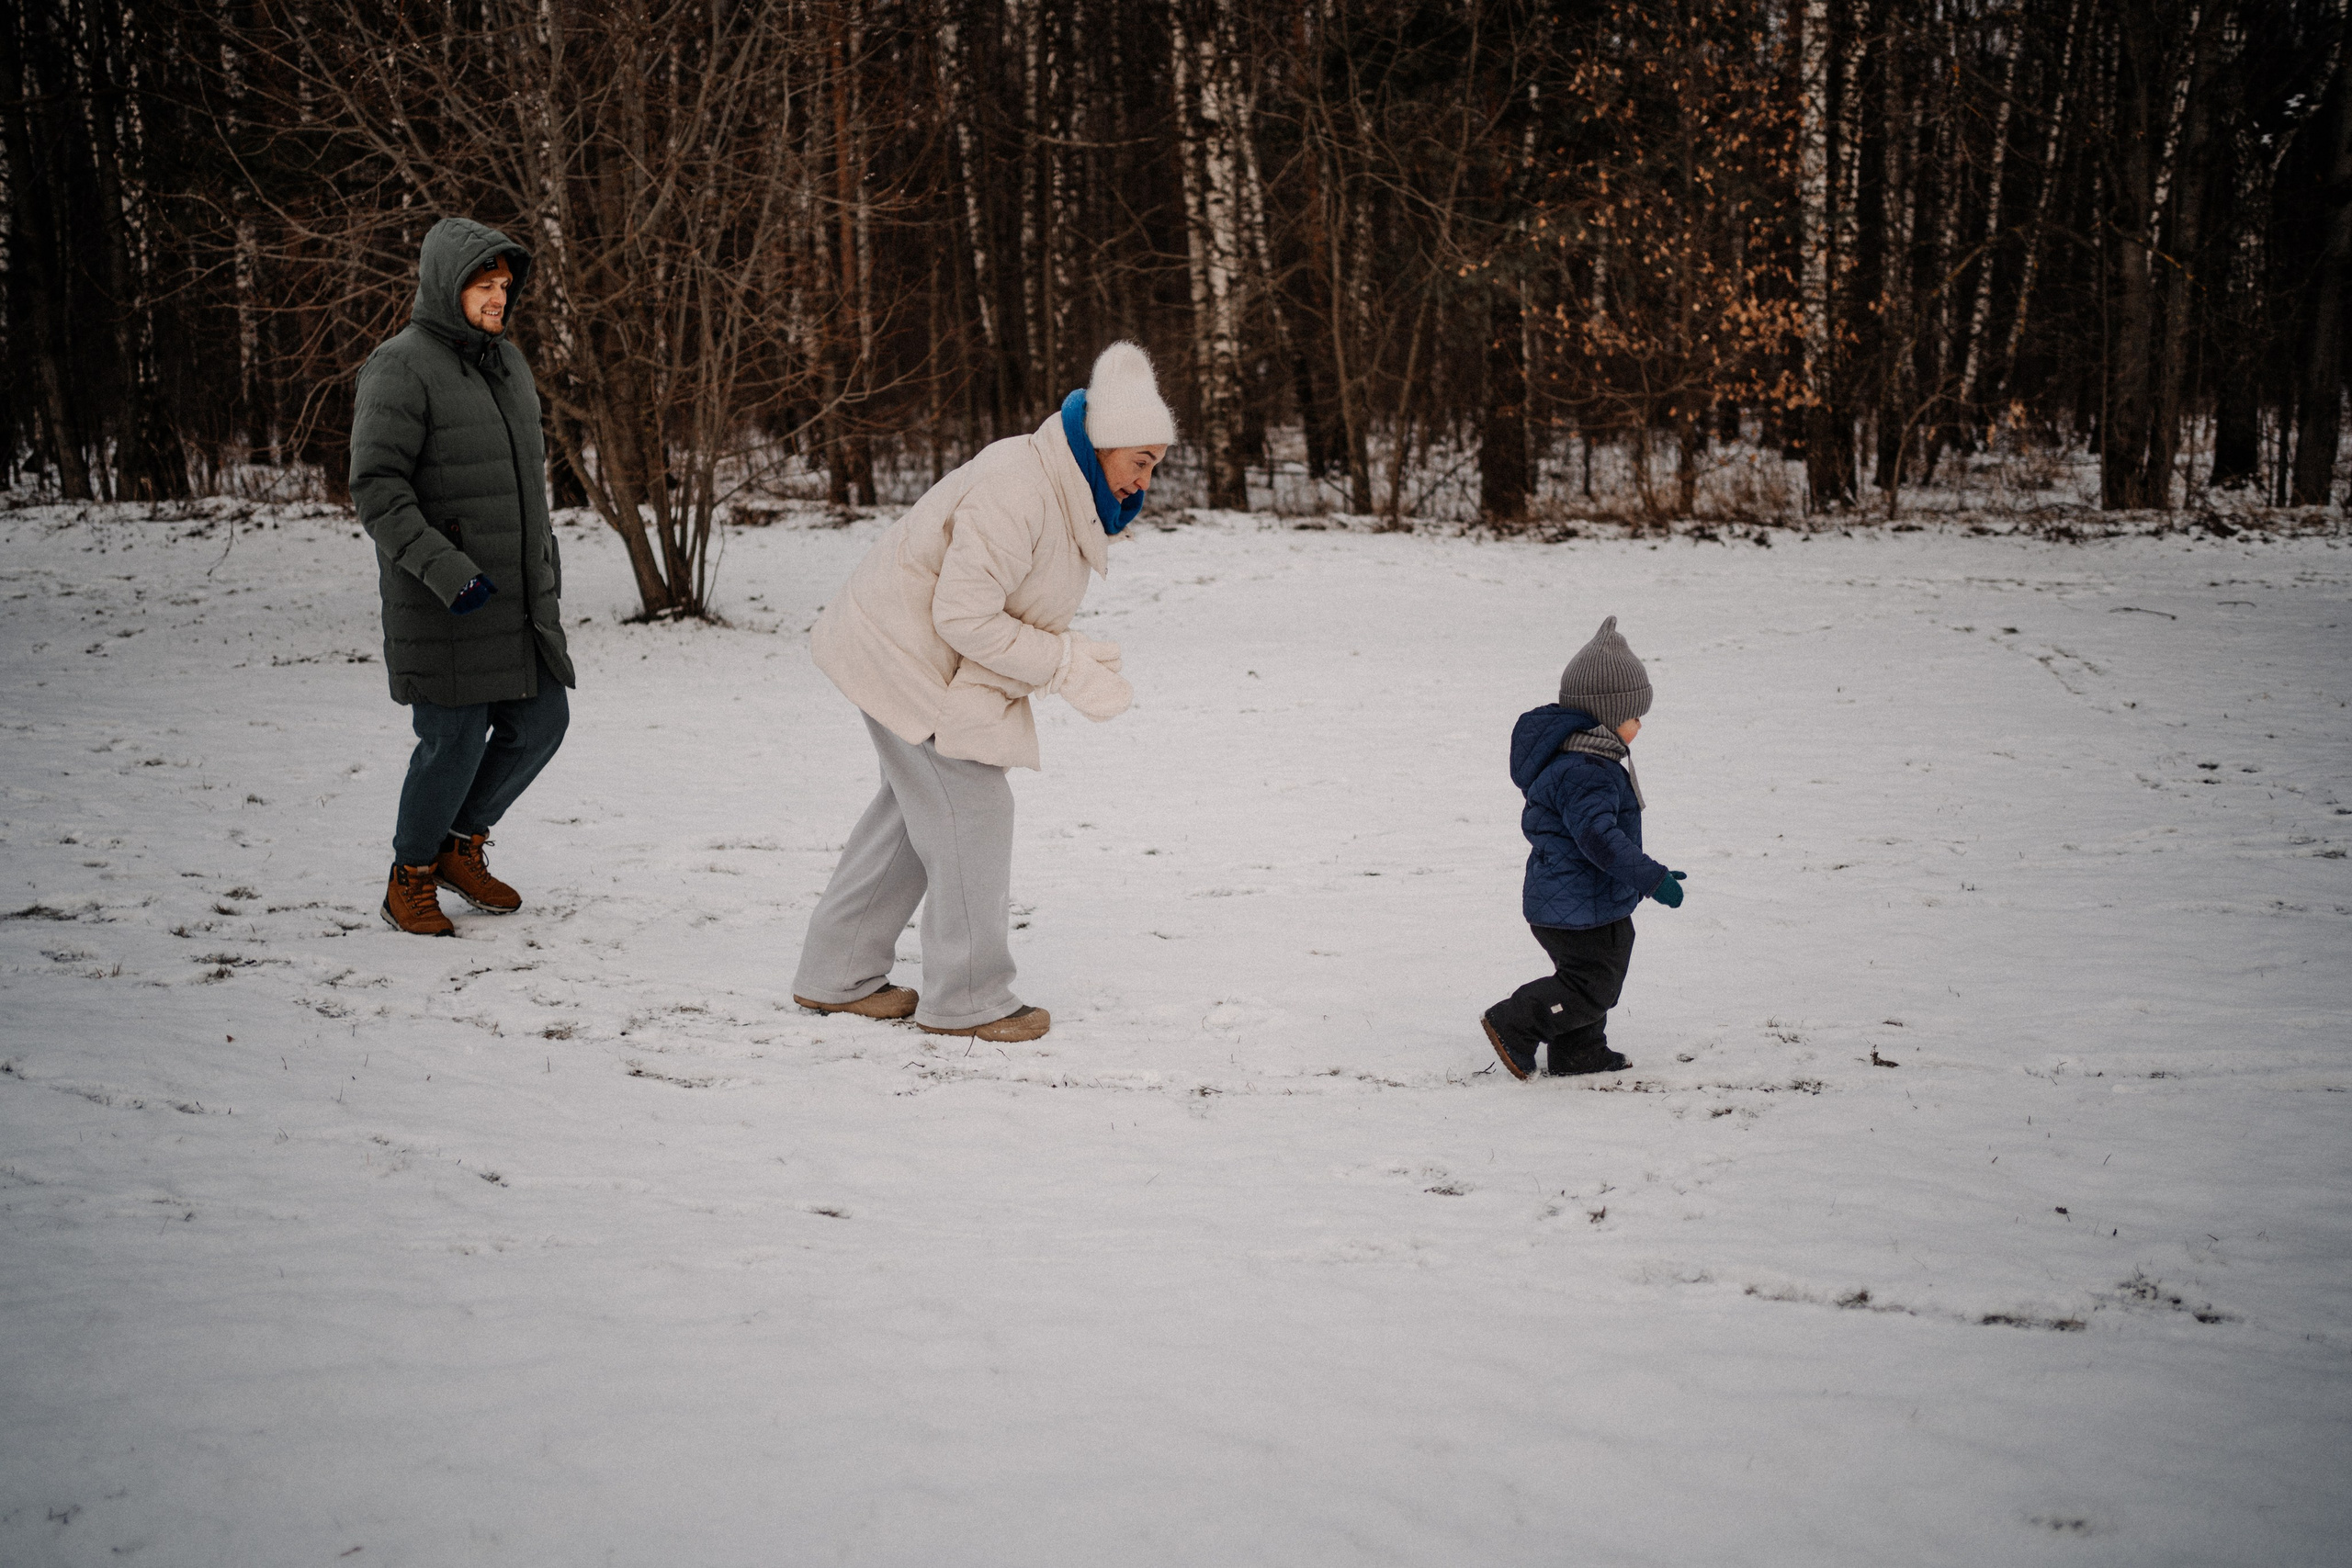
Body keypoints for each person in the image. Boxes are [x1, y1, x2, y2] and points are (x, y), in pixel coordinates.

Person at [790, 342, 1174, 1042]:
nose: (1146, 481)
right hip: (901, 653)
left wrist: (1068, 654)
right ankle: (968, 998)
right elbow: (963, 615)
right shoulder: (1020, 485)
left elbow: (1006, 605)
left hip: (922, 656)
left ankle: (836, 973)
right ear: (1105, 444)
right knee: (972, 811)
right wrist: (1059, 664)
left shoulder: (1066, 490)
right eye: (1141, 461)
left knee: (915, 815)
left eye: (1156, 464)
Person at [349, 217, 574, 937]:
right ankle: (409, 875)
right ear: (449, 287)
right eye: (484, 284)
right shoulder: (400, 365)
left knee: (542, 721)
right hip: (443, 601)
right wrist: (449, 572)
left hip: (513, 597)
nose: (498, 297)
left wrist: (544, 567)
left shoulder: (508, 365)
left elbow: (525, 488)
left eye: (505, 285)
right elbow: (377, 489)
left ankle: (459, 842)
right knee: (451, 740)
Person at [1482, 616, 1686, 1078]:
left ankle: (1580, 1050)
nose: (1639, 725)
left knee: (1599, 969)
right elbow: (1601, 839)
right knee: (1592, 983)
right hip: (1575, 902)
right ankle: (1514, 1022)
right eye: (1635, 716)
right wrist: (1652, 878)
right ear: (1608, 715)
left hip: (1587, 899)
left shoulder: (1588, 759)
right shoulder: (1585, 769)